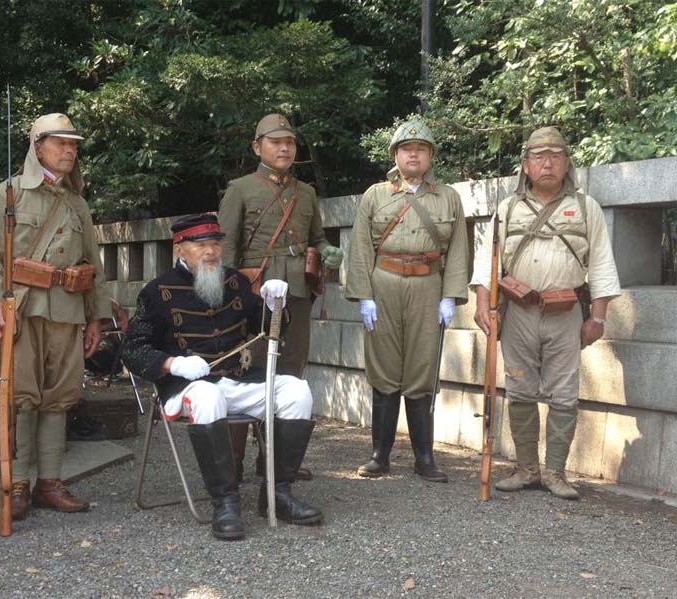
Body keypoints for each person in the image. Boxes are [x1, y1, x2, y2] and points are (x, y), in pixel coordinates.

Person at [121, 213, 322, 541]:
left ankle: (278, 495)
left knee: (298, 390)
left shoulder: (236, 283)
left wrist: (275, 304)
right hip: (187, 388)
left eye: (215, 243)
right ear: (180, 249)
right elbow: (131, 350)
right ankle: (225, 503)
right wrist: (173, 363)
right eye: (200, 245)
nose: (211, 251)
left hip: (240, 379)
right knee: (207, 395)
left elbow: (269, 329)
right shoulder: (156, 291)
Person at [471, 126, 620, 500]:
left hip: (566, 312)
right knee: (520, 388)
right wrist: (481, 305)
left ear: (567, 162)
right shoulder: (507, 209)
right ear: (526, 165)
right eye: (539, 156)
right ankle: (526, 469)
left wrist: (597, 318)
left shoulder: (587, 208)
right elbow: (486, 264)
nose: (547, 163)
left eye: (555, 155)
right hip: (518, 311)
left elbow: (601, 264)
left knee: (565, 393)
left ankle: (556, 473)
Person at [0, 113, 112, 520]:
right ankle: (16, 484)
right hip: (23, 307)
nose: (69, 150)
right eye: (60, 143)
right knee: (20, 396)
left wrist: (96, 319)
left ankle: (49, 483)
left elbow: (94, 267)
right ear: (38, 146)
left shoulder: (77, 203)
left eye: (73, 145)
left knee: (61, 396)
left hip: (68, 310)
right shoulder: (10, 194)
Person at [217, 113, 343, 480]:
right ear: (257, 147)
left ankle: (277, 462)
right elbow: (226, 245)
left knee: (290, 374)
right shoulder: (239, 189)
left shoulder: (306, 193)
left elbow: (316, 237)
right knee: (246, 373)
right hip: (253, 294)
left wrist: (328, 251)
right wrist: (228, 296)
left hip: (297, 294)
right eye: (276, 142)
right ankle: (233, 461)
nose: (285, 148)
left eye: (289, 142)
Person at [345, 117, 469, 482]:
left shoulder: (448, 197)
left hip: (428, 285)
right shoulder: (375, 195)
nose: (413, 154)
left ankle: (424, 458)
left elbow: (458, 250)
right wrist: (363, 296)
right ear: (395, 155)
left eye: (420, 149)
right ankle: (379, 455)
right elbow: (360, 247)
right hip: (383, 282)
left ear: (430, 156)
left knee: (421, 369)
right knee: (383, 368)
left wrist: (451, 296)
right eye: (406, 149)